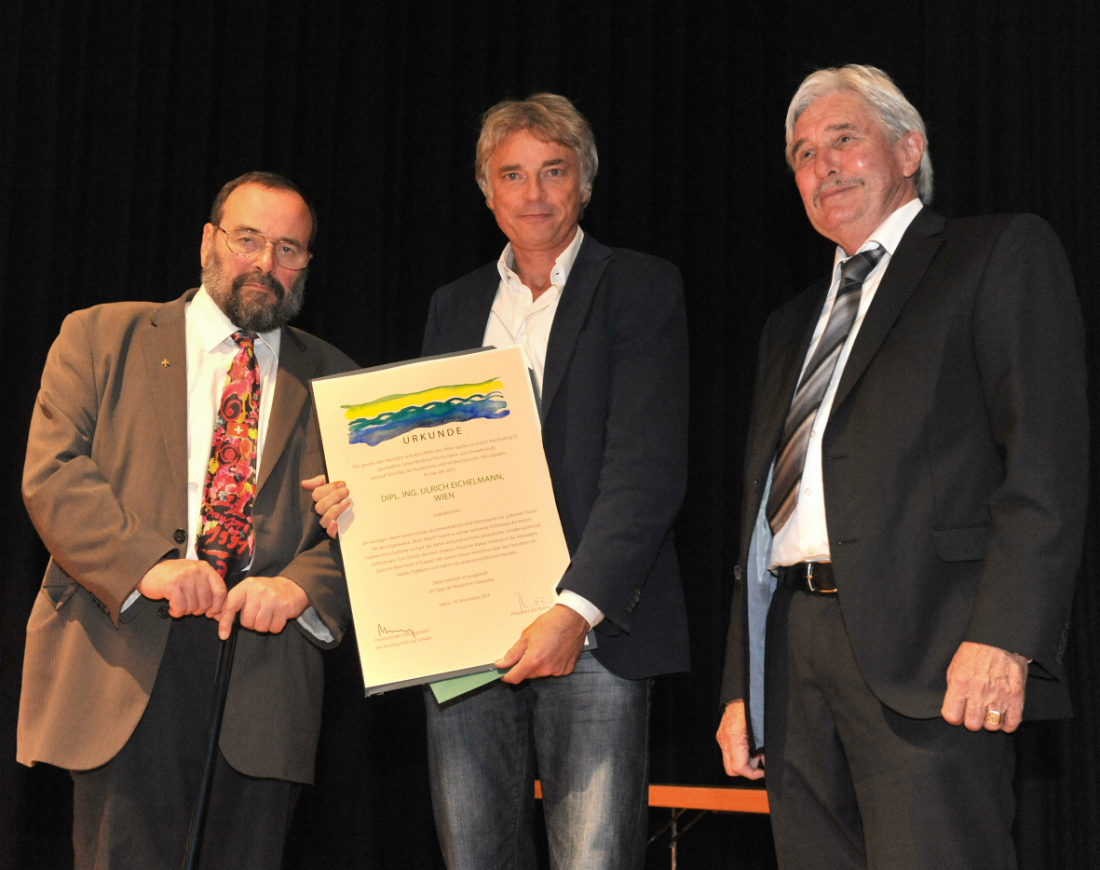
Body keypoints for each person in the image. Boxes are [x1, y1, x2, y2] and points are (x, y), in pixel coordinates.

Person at [715, 64, 1088, 869]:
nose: (823, 167)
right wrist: (742, 681)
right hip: (792, 653)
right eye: (803, 155)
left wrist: (1005, 637)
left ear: (908, 148)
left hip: (934, 654)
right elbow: (762, 511)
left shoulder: (993, 254)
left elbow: (1045, 465)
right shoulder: (788, 324)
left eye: (843, 139)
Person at [308, 93, 689, 869]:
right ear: (486, 192)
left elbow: (647, 471)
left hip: (593, 631)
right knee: (474, 857)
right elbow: (430, 463)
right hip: (464, 636)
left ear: (584, 183)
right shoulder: (454, 306)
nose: (534, 193)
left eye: (553, 171)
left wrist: (574, 610)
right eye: (512, 175)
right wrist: (360, 499)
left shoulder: (641, 287)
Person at [18, 172, 356, 870]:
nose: (266, 263)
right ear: (209, 243)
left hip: (266, 678)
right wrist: (149, 564)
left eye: (289, 249)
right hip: (125, 650)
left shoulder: (340, 382)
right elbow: (52, 473)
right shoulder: (99, 336)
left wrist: (301, 586)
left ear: (306, 267)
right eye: (249, 240)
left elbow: (371, 524)